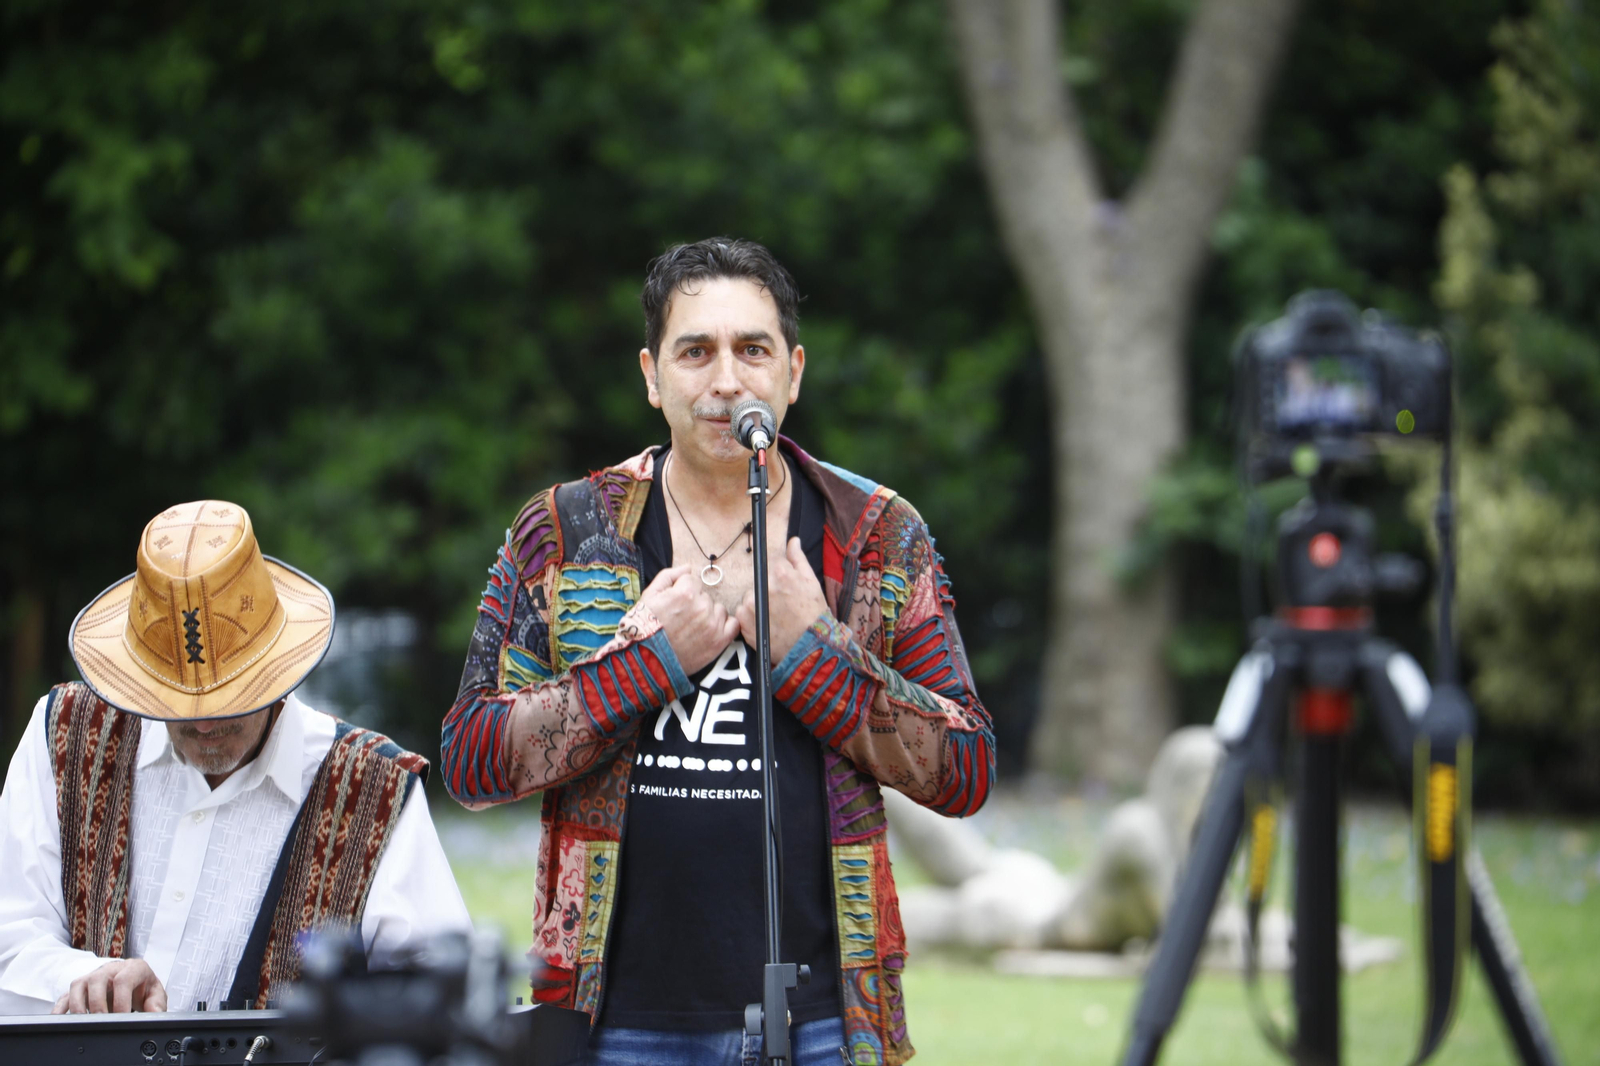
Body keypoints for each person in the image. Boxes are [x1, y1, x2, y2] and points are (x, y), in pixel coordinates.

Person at [442, 237, 995, 1066]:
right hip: (612, 1019)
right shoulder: (566, 529)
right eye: (696, 352)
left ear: (793, 373)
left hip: (826, 1021)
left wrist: (818, 654)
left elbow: (966, 768)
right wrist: (645, 664)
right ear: (652, 376)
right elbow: (470, 761)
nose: (727, 380)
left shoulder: (877, 534)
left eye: (753, 350)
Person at [0, 501, 471, 1015]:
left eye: (231, 699)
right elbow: (9, 936)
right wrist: (85, 978)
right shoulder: (65, 733)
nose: (203, 723)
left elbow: (445, 1000)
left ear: (277, 667)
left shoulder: (374, 791)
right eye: (175, 701)